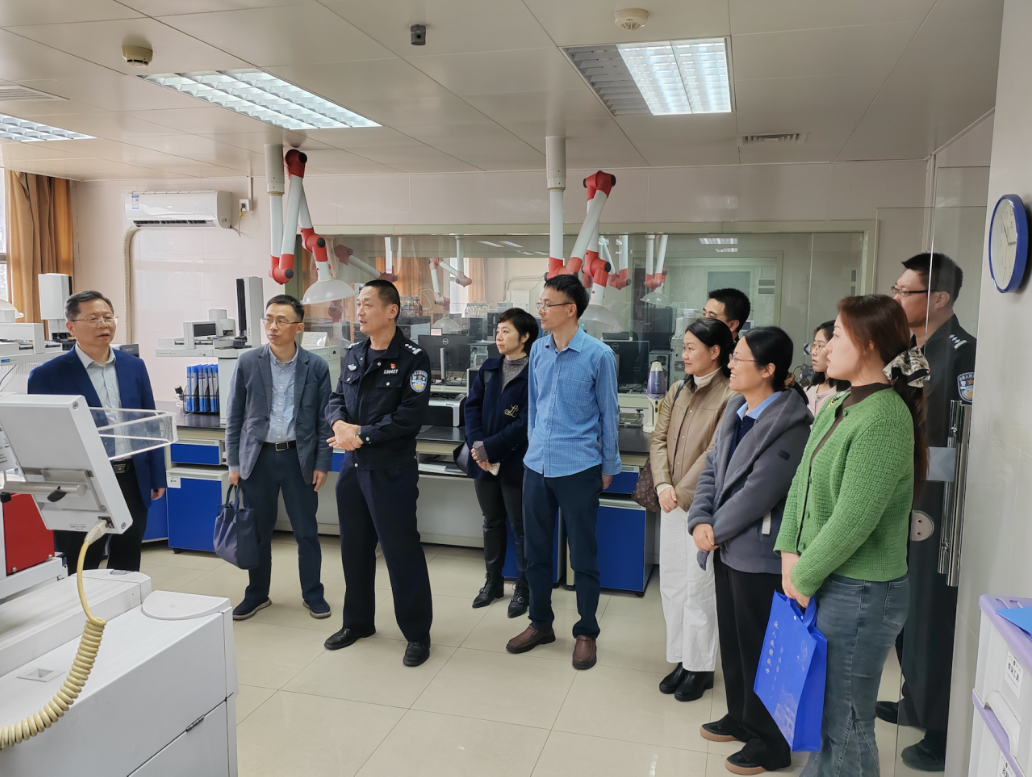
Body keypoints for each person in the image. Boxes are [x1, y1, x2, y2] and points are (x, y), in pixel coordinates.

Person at [776, 295, 927, 777]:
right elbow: (801, 484)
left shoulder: (884, 416)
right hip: (826, 577)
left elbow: (853, 520)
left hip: (861, 591)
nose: (824, 347)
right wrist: (789, 553)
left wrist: (804, 574)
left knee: (846, 719)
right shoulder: (839, 403)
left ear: (867, 344)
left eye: (836, 335)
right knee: (825, 712)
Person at [688, 327, 812, 775]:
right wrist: (700, 520)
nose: (730, 365)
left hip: (759, 555)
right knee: (736, 643)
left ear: (767, 369)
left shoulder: (790, 425)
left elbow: (758, 493)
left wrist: (713, 530)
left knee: (762, 649)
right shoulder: (737, 410)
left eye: (738, 358)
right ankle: (741, 717)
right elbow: (711, 470)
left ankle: (770, 743)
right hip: (726, 548)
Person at [878, 252, 976, 770]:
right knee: (907, 611)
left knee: (932, 616)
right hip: (908, 501)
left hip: (940, 509)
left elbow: (962, 446)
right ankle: (913, 699)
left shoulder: (962, 353)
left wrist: (909, 467)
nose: (896, 299)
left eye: (904, 291)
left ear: (937, 298)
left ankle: (939, 727)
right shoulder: (912, 353)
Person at [505, 274, 620, 671]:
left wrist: (609, 466)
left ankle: (586, 631)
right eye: (540, 303)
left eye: (547, 304)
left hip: (579, 467)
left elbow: (609, 414)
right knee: (535, 552)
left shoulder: (598, 355)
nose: (540, 311)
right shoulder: (538, 350)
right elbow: (535, 406)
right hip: (537, 465)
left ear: (570, 310)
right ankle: (540, 623)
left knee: (583, 555)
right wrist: (533, 447)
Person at [324, 280, 434, 668]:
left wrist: (362, 434)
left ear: (391, 310)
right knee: (354, 550)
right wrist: (339, 425)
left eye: (368, 304)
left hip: (391, 471)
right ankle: (357, 623)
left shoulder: (413, 359)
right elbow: (336, 399)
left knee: (401, 553)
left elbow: (408, 416)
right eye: (358, 304)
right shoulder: (354, 353)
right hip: (353, 470)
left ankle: (417, 633)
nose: (360, 311)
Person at [28, 290, 166, 572]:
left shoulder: (134, 366)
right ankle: (81, 601)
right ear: (71, 327)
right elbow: (41, 438)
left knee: (128, 555)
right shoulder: (47, 375)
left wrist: (156, 475)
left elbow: (149, 424)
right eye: (93, 319)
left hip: (130, 476)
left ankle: (124, 600)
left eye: (108, 317)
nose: (103, 324)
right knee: (82, 558)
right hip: (82, 483)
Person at [225, 294, 333, 621]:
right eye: (269, 319)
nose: (272, 326)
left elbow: (324, 420)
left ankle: (313, 594)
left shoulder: (316, 367)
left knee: (306, 532)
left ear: (298, 327)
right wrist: (234, 463)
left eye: (281, 321)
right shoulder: (248, 362)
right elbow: (235, 416)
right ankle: (257, 594)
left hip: (299, 459)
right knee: (258, 532)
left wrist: (322, 463)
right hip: (257, 459)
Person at [651, 317, 737, 703]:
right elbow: (659, 439)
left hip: (702, 507)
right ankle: (681, 658)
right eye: (683, 347)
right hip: (670, 501)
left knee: (699, 587)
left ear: (715, 351)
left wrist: (681, 492)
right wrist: (663, 485)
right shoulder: (677, 390)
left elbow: (715, 453)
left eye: (691, 348)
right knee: (672, 583)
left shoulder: (731, 395)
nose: (683, 355)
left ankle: (700, 667)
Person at [464, 307, 538, 616]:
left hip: (515, 462)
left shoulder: (534, 372)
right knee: (491, 521)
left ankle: (523, 587)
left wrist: (490, 448)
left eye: (506, 331)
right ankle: (493, 582)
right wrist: (477, 446)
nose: (499, 336)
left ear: (525, 337)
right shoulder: (489, 368)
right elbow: (471, 407)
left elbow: (526, 422)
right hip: (483, 462)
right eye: (498, 330)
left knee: (520, 527)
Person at [805, 320, 849, 420]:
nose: (813, 352)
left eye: (820, 346)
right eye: (814, 345)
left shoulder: (846, 395)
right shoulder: (808, 391)